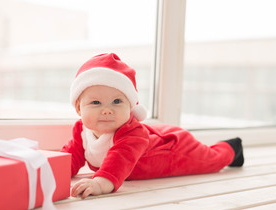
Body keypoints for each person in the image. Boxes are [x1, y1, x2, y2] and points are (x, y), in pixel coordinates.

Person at [61, 53, 244, 199]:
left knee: (211, 160)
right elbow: (72, 156)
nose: (107, 110)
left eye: (117, 101)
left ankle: (231, 147)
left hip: (173, 149)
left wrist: (100, 184)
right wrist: (53, 172)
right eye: (96, 103)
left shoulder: (131, 134)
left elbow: (119, 160)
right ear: (78, 108)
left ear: (130, 106)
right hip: (155, 137)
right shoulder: (81, 130)